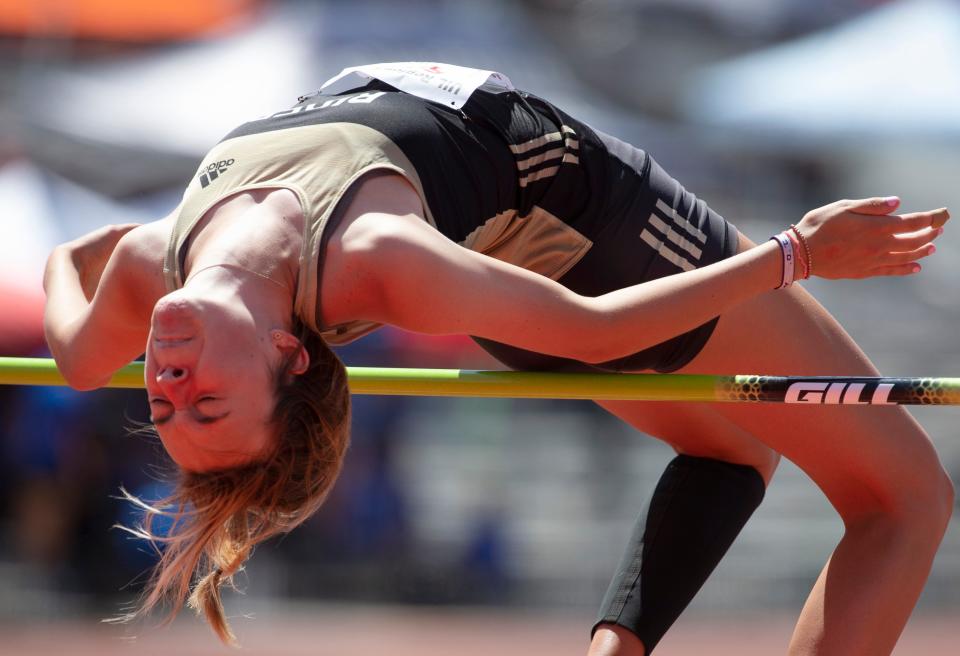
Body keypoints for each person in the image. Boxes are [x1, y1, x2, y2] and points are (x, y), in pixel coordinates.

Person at [42, 63, 952, 655]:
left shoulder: (140, 270)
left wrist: (72, 255)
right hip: (594, 244)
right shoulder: (374, 260)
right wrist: (798, 251)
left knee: (731, 450)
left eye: (167, 410)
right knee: (906, 497)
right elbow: (596, 330)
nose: (166, 391)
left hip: (499, 280)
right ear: (286, 355)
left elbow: (77, 347)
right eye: (209, 407)